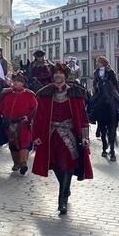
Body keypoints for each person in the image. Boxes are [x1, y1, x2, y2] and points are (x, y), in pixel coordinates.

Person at [32, 62, 92, 215]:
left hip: (69, 135)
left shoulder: (75, 93)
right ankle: (66, 188)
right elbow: (38, 117)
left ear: (65, 76)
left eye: (61, 73)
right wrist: (36, 136)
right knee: (57, 167)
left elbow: (83, 117)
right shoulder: (45, 93)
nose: (58, 76)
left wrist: (85, 137)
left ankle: (62, 201)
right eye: (56, 73)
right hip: (51, 136)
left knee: (67, 166)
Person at [0, 72, 37, 175]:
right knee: (13, 144)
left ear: (23, 83)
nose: (16, 83)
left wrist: (29, 118)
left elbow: (35, 109)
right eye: (14, 80)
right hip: (9, 124)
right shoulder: (6, 94)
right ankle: (16, 163)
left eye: (19, 81)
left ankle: (23, 163)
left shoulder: (29, 95)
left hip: (23, 124)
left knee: (24, 143)